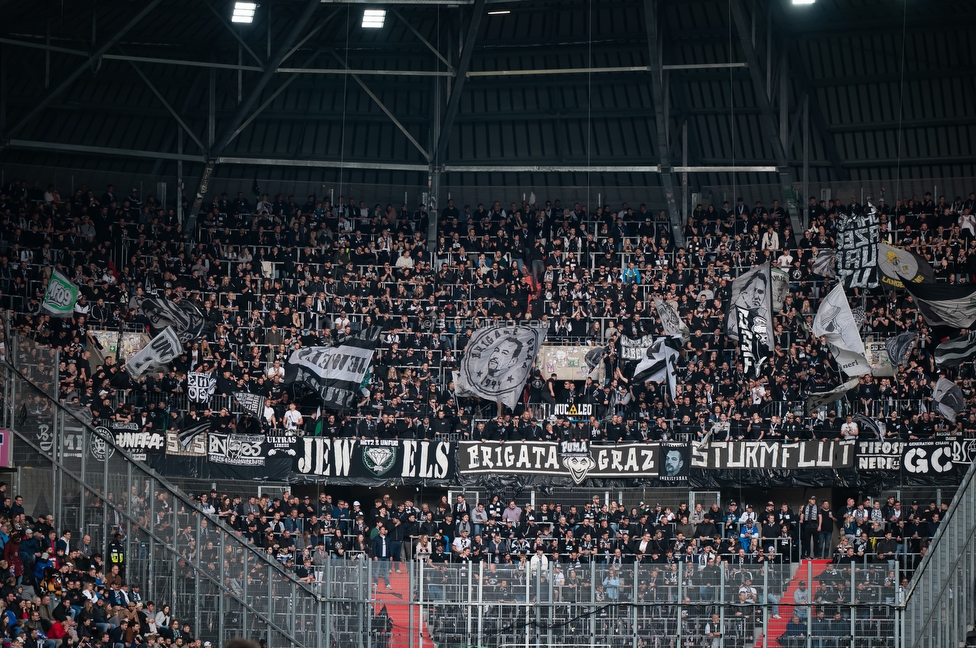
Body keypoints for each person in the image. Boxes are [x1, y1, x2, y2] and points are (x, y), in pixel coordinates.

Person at [371, 526, 393, 590]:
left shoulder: (388, 539)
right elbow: (374, 548)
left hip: (386, 557)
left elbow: (390, 548)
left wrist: (391, 555)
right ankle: (375, 583)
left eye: (384, 529)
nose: (384, 530)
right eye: (382, 529)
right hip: (379, 556)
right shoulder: (376, 538)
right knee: (376, 571)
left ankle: (387, 584)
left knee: (386, 571)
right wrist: (375, 555)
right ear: (380, 531)